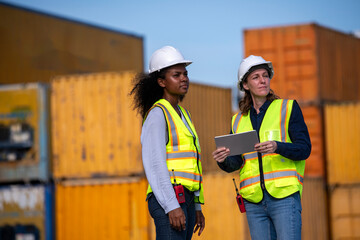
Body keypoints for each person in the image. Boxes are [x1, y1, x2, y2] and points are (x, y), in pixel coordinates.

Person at [212, 55, 311, 240]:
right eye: (256, 77)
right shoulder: (238, 120)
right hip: (253, 202)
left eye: (265, 75)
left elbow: (304, 149)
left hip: (284, 197)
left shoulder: (287, 108)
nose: (263, 80)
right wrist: (223, 160)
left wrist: (277, 146)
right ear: (246, 85)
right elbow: (237, 162)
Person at [130, 46, 205, 239]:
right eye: (176, 75)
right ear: (161, 81)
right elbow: (155, 164)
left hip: (185, 198)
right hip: (168, 198)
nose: (184, 79)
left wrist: (196, 206)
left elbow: (191, 164)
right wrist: (171, 205)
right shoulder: (158, 114)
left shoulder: (183, 114)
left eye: (185, 74)